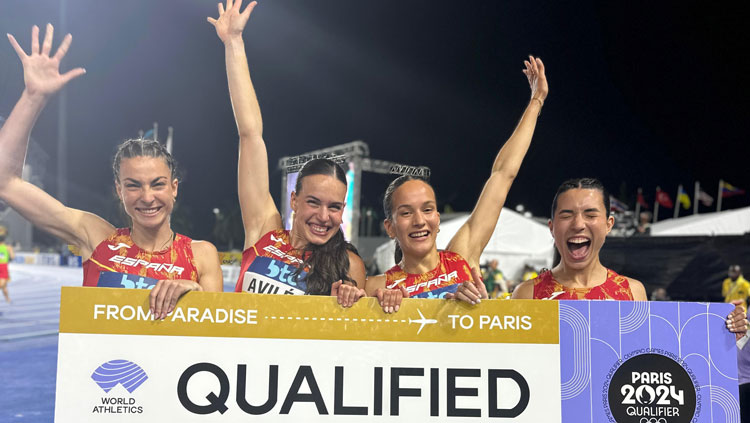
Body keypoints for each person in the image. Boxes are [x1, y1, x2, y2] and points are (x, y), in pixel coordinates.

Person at [0, 25, 222, 320]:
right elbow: (6, 182)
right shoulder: (95, 236)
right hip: (107, 369)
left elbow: (219, 340)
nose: (147, 197)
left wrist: (196, 295)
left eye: (157, 184)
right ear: (119, 190)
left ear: (174, 187)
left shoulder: (202, 255)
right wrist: (33, 97)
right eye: (133, 185)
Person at [208, 0, 366, 306]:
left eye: (334, 206)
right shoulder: (263, 231)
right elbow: (250, 135)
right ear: (294, 200)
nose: (324, 216)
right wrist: (234, 44)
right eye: (313, 202)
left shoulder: (349, 264)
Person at [365, 55, 548, 311]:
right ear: (390, 227)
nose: (420, 220)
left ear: (438, 218)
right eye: (406, 212)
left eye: (427, 209)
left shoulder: (461, 259)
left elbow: (503, 175)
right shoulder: (375, 287)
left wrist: (536, 101)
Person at [0, 227, 15, 303]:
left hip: (3, 267)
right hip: (3, 266)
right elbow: (12, 257)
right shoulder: (8, 247)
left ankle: (7, 299)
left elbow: (12, 256)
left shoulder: (8, 247)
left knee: (3, 286)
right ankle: (8, 299)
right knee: (3, 285)